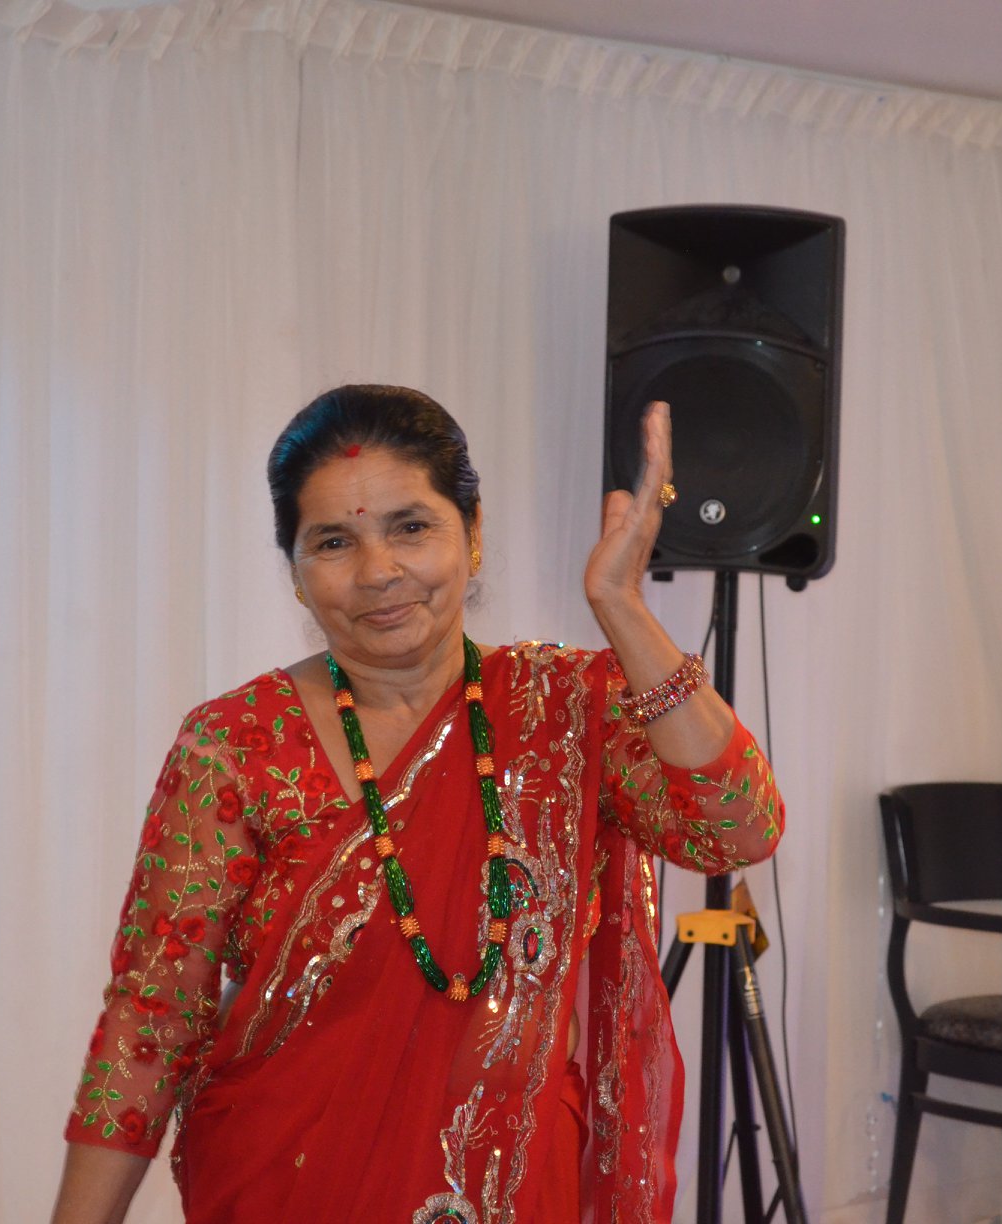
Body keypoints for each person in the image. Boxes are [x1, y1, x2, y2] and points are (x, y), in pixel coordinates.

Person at [51, 385, 784, 1224]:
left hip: (509, 1190)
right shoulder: (236, 743)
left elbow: (738, 828)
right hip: (286, 1185)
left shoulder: (562, 709)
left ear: (473, 535)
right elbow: (151, 1019)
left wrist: (622, 606)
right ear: (295, 573)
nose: (378, 573)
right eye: (334, 541)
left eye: (410, 527)